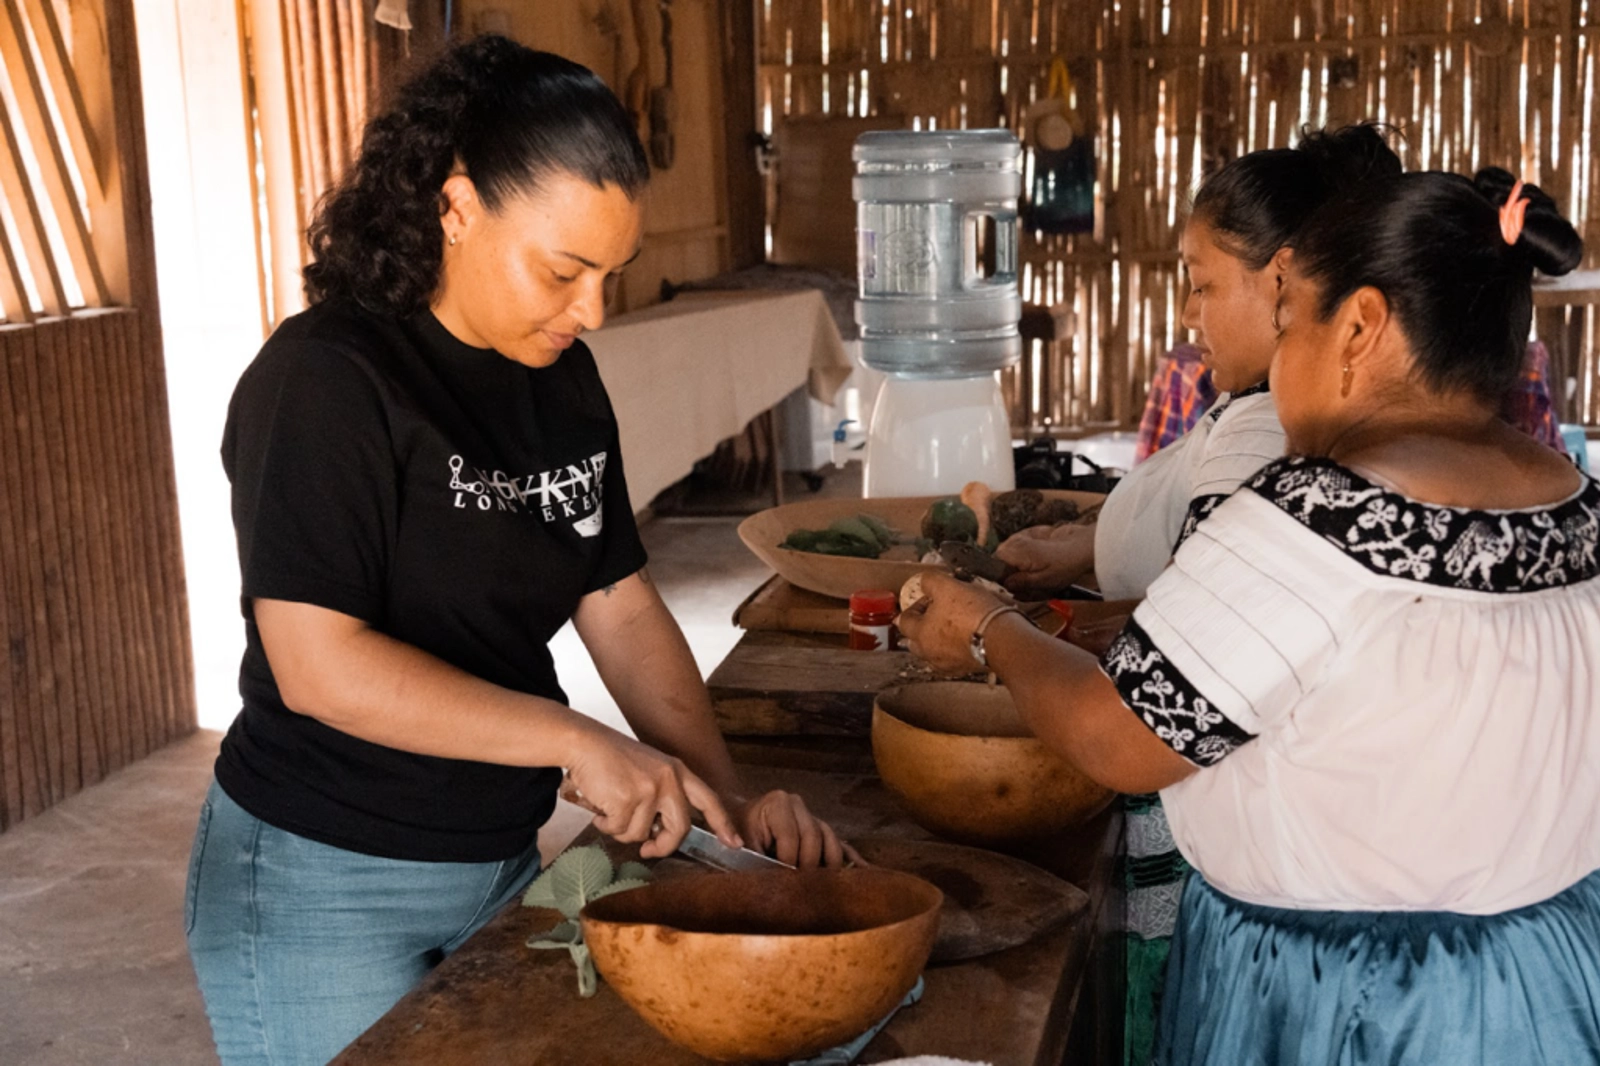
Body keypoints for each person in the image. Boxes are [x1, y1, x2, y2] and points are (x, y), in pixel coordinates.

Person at [185, 37, 847, 1066]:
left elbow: (618, 604)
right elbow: (319, 664)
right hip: (323, 873)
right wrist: (576, 738)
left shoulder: (560, 382)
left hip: (493, 853)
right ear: (456, 206)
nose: (588, 310)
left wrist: (724, 804)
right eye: (563, 269)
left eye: (608, 275)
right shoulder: (325, 380)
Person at [900, 166, 1600, 1063]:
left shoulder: (1315, 517)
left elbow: (1117, 733)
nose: (1277, 352)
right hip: (1540, 984)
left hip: (1333, 1000)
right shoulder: (1577, 507)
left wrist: (988, 629)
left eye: (1289, 316)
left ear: (1359, 327)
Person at [1002, 124, 1403, 1066]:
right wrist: (1081, 550)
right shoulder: (1249, 418)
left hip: (1255, 896)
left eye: (1201, 281)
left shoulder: (1277, 456)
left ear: (1287, 285)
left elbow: (1150, 707)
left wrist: (993, 634)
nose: (1188, 311)